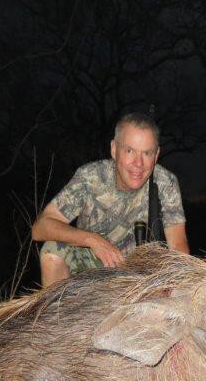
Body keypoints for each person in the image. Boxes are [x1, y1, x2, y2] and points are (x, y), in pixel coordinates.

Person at [32, 113, 189, 287]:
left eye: (147, 153)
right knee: (51, 251)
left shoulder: (166, 183)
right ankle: (58, 314)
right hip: (90, 269)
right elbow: (41, 227)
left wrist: (170, 282)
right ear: (114, 149)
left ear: (157, 154)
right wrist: (93, 240)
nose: (138, 163)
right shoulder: (90, 177)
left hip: (137, 275)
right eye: (129, 150)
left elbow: (178, 246)